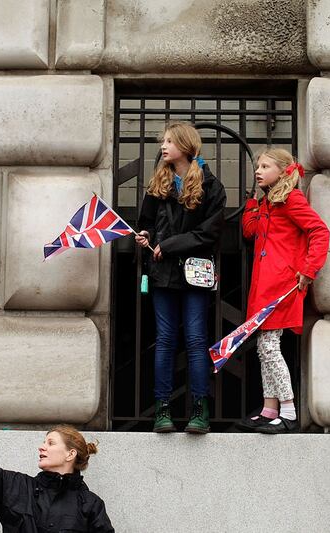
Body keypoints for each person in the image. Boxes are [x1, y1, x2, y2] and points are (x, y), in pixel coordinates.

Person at [135, 122, 227, 434]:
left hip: (195, 273)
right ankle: (163, 410)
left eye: (170, 141)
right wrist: (144, 236)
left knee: (196, 339)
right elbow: (145, 222)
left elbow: (210, 233)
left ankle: (199, 411)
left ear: (186, 145)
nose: (164, 146)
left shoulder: (210, 185)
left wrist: (170, 245)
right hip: (162, 274)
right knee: (165, 340)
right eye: (163, 141)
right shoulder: (158, 182)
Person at [237, 148, 330, 434]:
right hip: (264, 285)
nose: (258, 171)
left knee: (269, 347)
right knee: (264, 349)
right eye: (258, 166)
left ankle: (288, 410)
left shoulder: (291, 199)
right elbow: (250, 231)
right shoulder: (269, 202)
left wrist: (309, 269)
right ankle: (269, 408)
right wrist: (253, 201)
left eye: (265, 166)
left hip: (282, 285)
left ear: (282, 170)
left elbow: (320, 231)